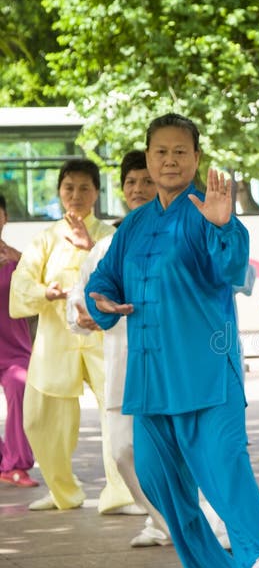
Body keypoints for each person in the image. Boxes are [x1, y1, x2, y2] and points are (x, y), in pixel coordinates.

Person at [84, 113, 259, 568]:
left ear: (196, 158)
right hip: (150, 375)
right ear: (148, 158)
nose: (169, 160)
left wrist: (222, 226)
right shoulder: (133, 224)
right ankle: (204, 564)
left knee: (223, 463)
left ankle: (257, 558)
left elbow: (232, 269)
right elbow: (103, 279)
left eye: (180, 151)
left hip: (206, 370)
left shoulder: (206, 211)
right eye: (160, 152)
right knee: (155, 475)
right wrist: (101, 299)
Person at [9, 159, 137, 513]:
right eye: (69, 188)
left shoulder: (111, 236)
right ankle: (63, 492)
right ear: (59, 192)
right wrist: (43, 293)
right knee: (38, 418)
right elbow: (21, 285)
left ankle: (122, 495)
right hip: (56, 340)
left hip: (103, 338)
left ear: (97, 192)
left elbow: (123, 275)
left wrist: (87, 246)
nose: (76, 195)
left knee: (117, 415)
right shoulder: (45, 238)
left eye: (84, 188)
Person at [67, 150, 172, 545]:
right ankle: (163, 522)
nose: (139, 189)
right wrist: (80, 315)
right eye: (131, 182)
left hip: (169, 365)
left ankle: (205, 528)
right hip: (123, 365)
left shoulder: (180, 234)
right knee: (124, 450)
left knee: (180, 452)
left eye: (147, 181)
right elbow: (80, 296)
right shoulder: (105, 247)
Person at [0, 196, 37, 487]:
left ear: (5, 217)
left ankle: (16, 465)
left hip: (14, 351)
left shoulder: (17, 259)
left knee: (20, 384)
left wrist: (19, 259)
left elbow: (40, 288)